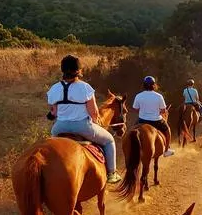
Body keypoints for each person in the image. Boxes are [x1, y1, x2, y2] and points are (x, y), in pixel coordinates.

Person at [47, 55, 121, 184]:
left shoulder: (54, 88)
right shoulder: (85, 87)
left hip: (59, 128)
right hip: (82, 127)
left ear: (62, 70)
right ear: (79, 70)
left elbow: (53, 112)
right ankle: (111, 173)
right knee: (109, 140)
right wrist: (96, 121)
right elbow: (93, 112)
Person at [132, 76, 175, 157]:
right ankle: (166, 150)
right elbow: (163, 111)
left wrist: (143, 112)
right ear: (153, 85)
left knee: (132, 130)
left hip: (142, 120)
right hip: (156, 121)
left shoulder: (138, 96)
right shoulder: (159, 96)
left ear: (143, 85)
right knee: (168, 130)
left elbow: (135, 109)